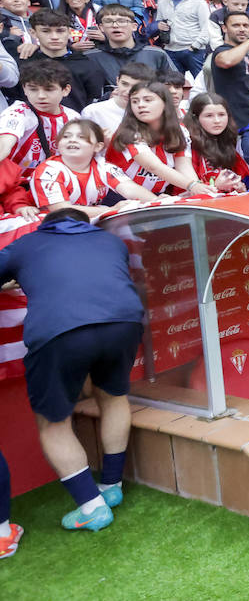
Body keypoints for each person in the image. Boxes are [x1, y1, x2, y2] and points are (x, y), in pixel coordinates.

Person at [0, 208, 146, 532]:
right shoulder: (110, 241)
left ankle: (92, 507)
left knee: (53, 423)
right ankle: (111, 488)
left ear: (44, 225)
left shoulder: (27, 243)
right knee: (113, 397)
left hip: (60, 332)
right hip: (124, 322)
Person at [30, 120, 161, 216]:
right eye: (66, 137)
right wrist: (110, 210)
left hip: (85, 219)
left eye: (81, 137)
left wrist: (158, 202)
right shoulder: (49, 170)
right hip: (49, 223)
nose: (72, 140)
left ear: (98, 147)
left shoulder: (104, 167)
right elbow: (61, 210)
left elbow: (130, 189)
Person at [105, 82, 212, 196]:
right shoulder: (129, 133)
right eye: (135, 101)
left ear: (165, 103)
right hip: (119, 194)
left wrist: (198, 188)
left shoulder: (180, 130)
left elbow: (184, 165)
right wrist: (191, 186)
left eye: (148, 100)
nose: (140, 105)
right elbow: (153, 166)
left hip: (158, 193)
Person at [18, 9, 105, 111]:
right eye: (46, 31)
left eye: (60, 31)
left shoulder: (87, 64)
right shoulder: (24, 62)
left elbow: (94, 102)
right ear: (33, 33)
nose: (54, 37)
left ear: (69, 32)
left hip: (75, 122)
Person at [86, 5, 176, 95]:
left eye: (122, 21)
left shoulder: (156, 54)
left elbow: (176, 85)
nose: (115, 25)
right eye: (108, 21)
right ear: (101, 27)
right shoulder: (90, 58)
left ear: (134, 26)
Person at [211, 11, 249, 132]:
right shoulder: (221, 50)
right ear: (224, 28)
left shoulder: (248, 56)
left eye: (246, 26)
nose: (242, 29)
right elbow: (226, 61)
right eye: (236, 25)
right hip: (237, 123)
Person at [184, 93, 249, 192]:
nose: (217, 121)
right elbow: (182, 189)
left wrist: (239, 186)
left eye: (221, 115)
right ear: (196, 118)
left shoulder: (227, 140)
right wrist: (214, 185)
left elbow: (245, 178)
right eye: (209, 116)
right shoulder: (187, 144)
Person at [155, 0, 212, 77]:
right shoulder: (163, 2)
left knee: (202, 84)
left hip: (194, 50)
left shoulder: (198, 2)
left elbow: (207, 27)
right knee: (173, 85)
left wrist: (195, 46)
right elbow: (159, 21)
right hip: (171, 50)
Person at [81, 62, 156, 139]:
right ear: (117, 80)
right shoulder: (93, 112)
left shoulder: (155, 113)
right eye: (124, 84)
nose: (128, 91)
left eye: (135, 87)